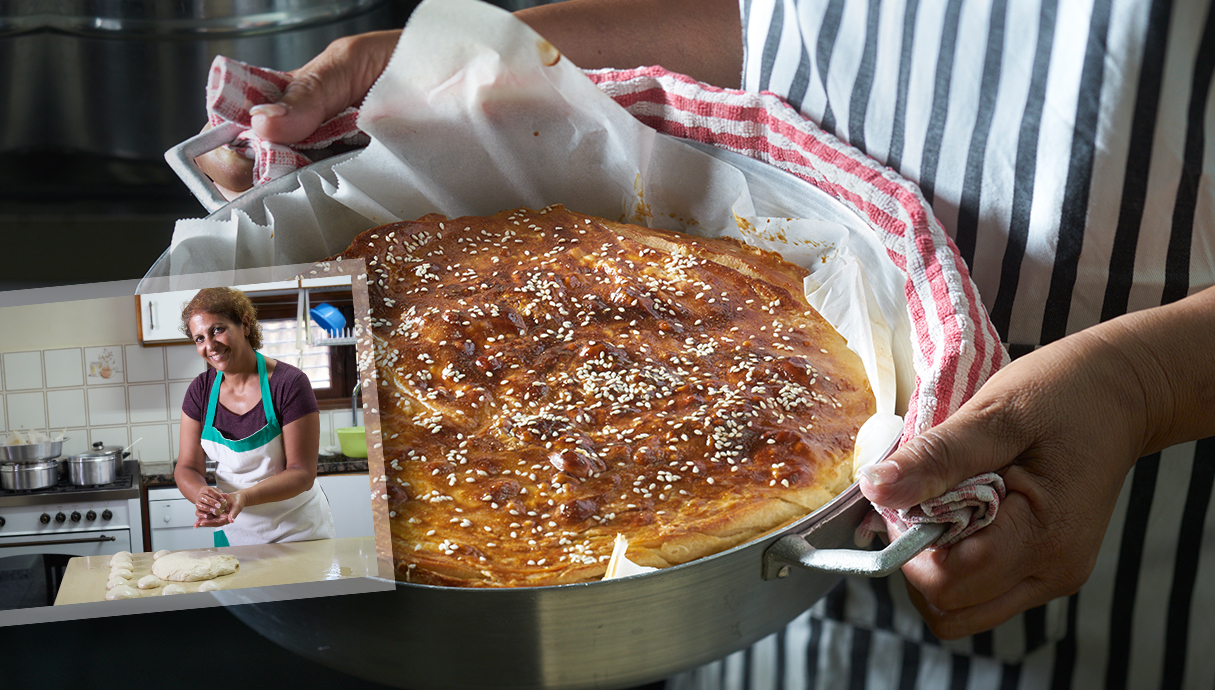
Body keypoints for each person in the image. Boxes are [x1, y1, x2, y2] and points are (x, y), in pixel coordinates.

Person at [196, 0, 1215, 687]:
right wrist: (466, 66)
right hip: (748, 610)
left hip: (1140, 567)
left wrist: (1145, 382)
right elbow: (779, 24)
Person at [175, 287, 336, 546]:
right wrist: (202, 494)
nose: (210, 345)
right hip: (235, 529)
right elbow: (187, 468)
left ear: (246, 324)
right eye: (199, 338)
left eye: (218, 329)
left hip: (298, 530)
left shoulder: (289, 383)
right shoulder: (200, 391)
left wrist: (244, 497)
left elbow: (302, 473)